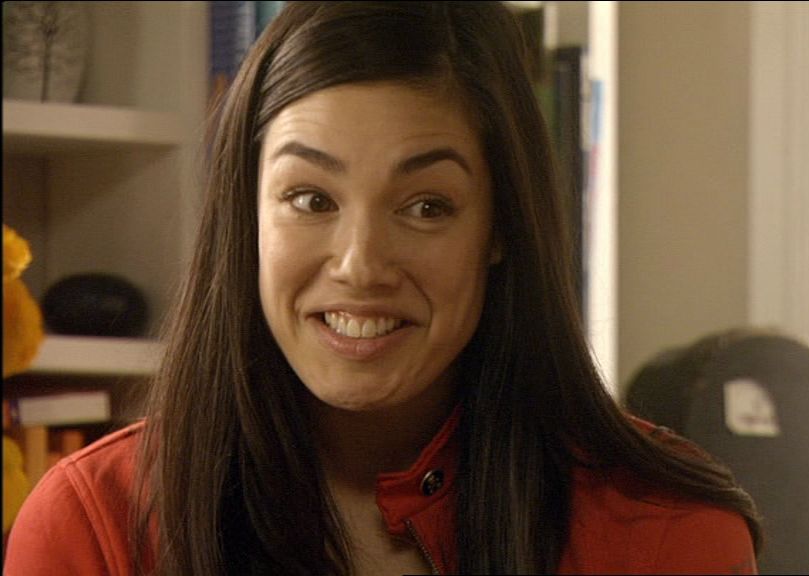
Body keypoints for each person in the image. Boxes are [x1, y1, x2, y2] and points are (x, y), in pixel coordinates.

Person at [5, 2, 762, 574]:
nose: (361, 264)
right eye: (310, 199)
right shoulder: (92, 528)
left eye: (426, 207)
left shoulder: (670, 534)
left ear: (501, 227)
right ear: (246, 215)